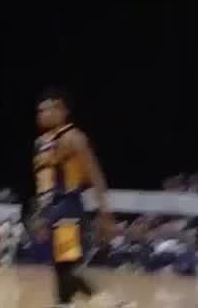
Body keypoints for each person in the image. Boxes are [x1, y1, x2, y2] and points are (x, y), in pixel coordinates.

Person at [33, 89, 133, 308]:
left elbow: (95, 174)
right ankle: (65, 303)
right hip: (51, 209)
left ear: (62, 110)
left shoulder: (74, 137)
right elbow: (43, 184)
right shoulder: (40, 143)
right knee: (60, 266)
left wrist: (105, 213)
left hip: (68, 206)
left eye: (47, 109)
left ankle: (112, 303)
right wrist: (41, 214)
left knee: (66, 264)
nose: (41, 114)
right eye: (39, 110)